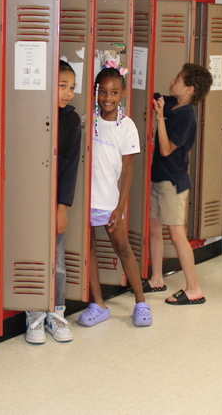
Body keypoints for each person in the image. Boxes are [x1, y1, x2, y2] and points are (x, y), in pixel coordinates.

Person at [77, 65, 152, 327]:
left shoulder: (127, 126)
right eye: (102, 92)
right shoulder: (88, 119)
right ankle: (98, 304)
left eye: (113, 92)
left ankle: (141, 302)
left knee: (123, 249)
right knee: (89, 250)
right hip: (85, 200)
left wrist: (120, 207)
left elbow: (129, 169)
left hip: (109, 202)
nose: (107, 98)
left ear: (123, 94)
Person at [145, 63, 213, 306]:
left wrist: (160, 119)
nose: (172, 81)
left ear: (189, 89)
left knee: (176, 234)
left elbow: (165, 149)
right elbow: (151, 95)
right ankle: (156, 279)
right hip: (159, 176)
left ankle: (194, 288)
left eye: (178, 79)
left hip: (172, 182)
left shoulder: (187, 117)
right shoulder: (173, 103)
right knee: (154, 227)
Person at [25, 60, 82, 344]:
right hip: (29, 201)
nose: (68, 93)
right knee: (32, 257)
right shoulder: (29, 114)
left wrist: (62, 209)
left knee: (57, 263)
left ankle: (56, 312)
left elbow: (70, 170)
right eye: (62, 86)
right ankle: (34, 314)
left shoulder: (71, 121)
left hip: (55, 202)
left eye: (72, 87)